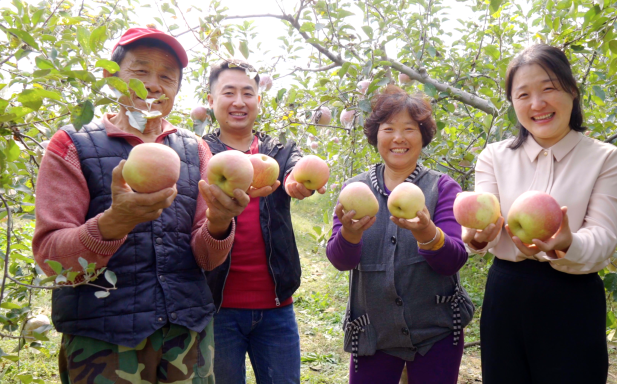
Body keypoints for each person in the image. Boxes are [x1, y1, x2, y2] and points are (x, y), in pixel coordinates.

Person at [33, 27, 250, 383]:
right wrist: (113, 223)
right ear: (111, 76)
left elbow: (207, 259)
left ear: (177, 89)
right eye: (140, 71)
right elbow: (55, 264)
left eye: (167, 76)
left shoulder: (196, 151)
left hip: (187, 338)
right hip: (103, 343)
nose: (153, 84)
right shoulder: (70, 146)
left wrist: (220, 223)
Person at [462, 44, 617, 383]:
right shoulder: (494, 157)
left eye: (548, 88)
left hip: (572, 299)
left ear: (572, 90)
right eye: (523, 94)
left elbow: (603, 238)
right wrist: (476, 236)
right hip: (505, 295)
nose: (537, 104)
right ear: (512, 103)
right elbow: (483, 214)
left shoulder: (606, 159)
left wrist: (568, 244)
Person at [325, 85, 471, 384]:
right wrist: (350, 235)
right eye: (388, 128)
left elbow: (453, 259)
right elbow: (339, 260)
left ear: (423, 136)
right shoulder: (356, 189)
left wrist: (428, 233)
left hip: (436, 332)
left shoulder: (442, 188)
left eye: (409, 128)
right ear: (376, 135)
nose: (398, 138)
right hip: (373, 334)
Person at [202, 59, 325, 384]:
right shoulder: (200, 153)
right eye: (229, 92)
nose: (239, 101)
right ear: (211, 100)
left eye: (248, 93)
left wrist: (297, 182)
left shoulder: (278, 150)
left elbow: (292, 172)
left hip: (276, 307)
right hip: (217, 307)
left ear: (259, 100)